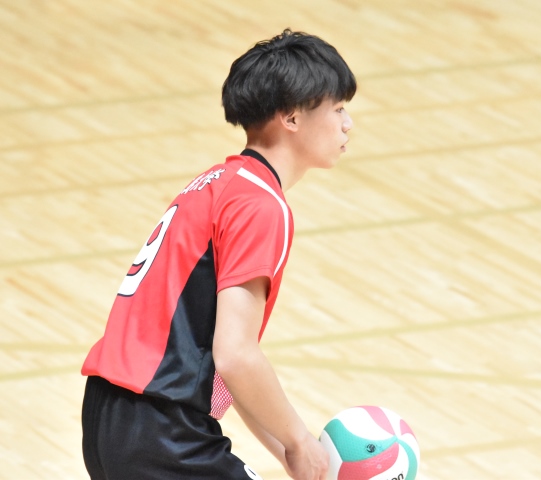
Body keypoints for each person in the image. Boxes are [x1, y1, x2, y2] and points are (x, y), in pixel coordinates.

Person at [80, 29, 356, 480]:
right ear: (291, 117)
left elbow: (226, 369)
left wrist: (291, 452)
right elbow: (236, 355)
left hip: (113, 415)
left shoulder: (218, 183)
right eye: (339, 108)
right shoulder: (260, 206)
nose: (348, 124)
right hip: (162, 428)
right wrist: (298, 441)